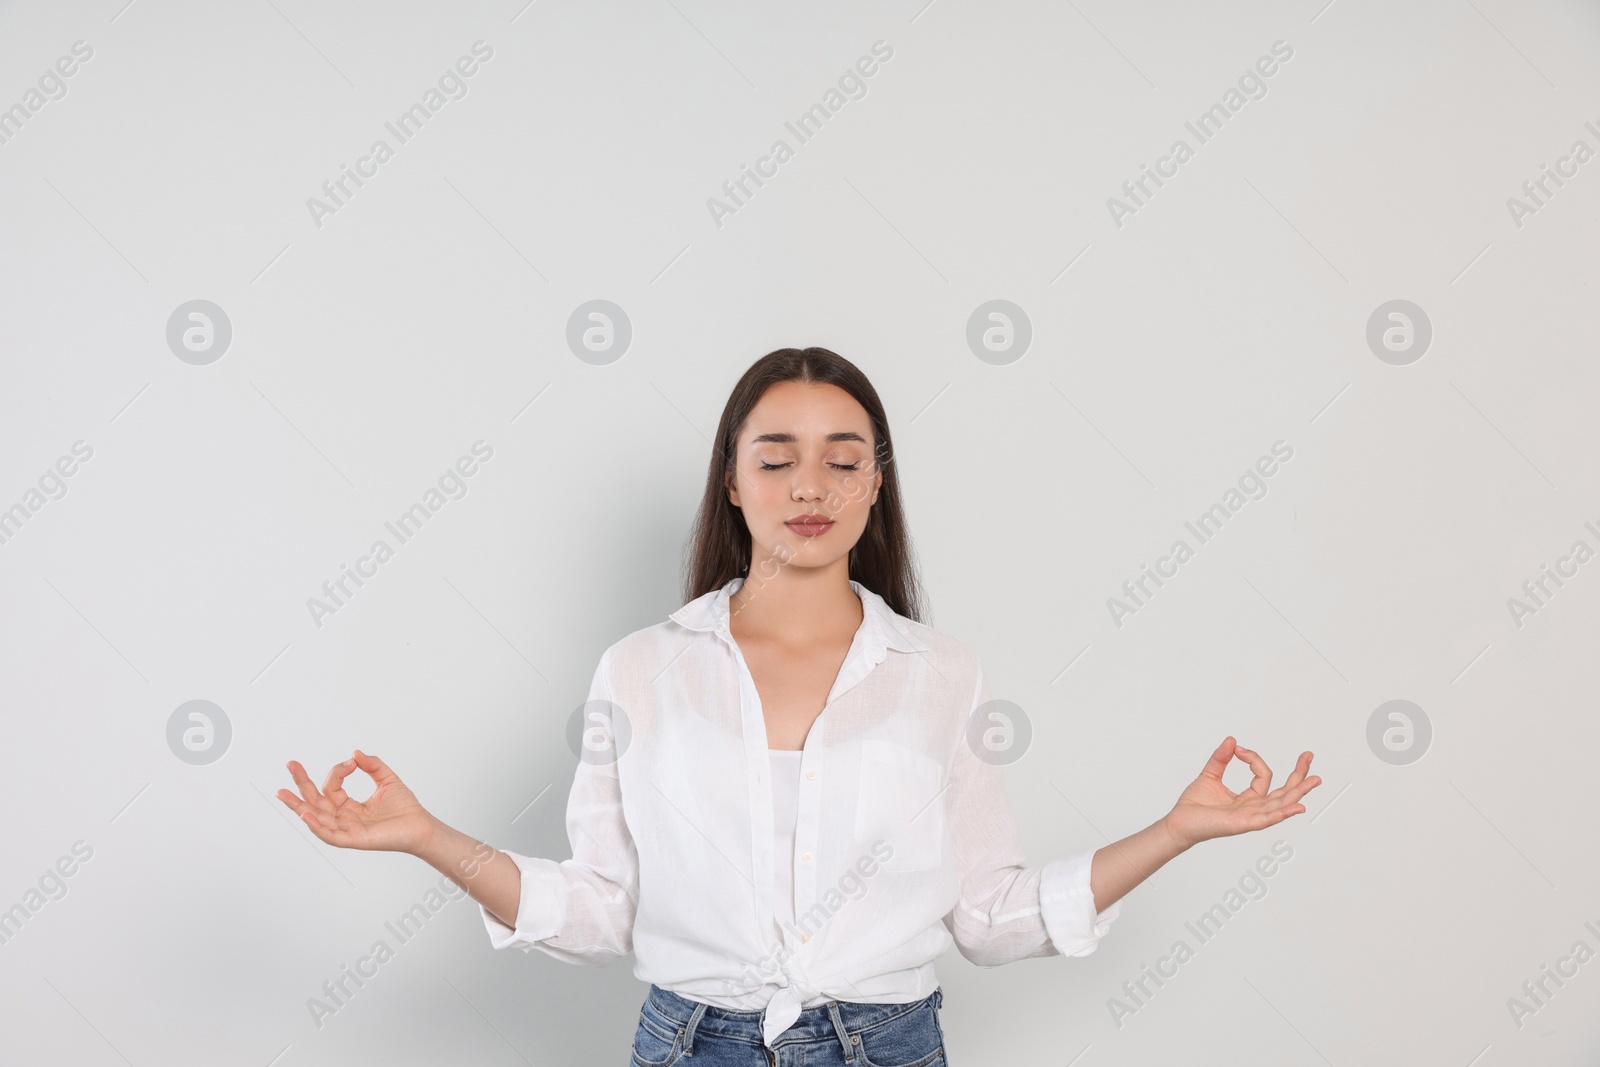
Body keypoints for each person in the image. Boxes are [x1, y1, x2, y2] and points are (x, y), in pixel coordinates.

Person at [277, 347, 1321, 1066]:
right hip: (690, 1042)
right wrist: (424, 837)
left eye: (841, 458)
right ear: (731, 482)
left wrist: (1179, 828)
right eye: (774, 457)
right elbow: (600, 910)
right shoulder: (641, 668)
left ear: (876, 486)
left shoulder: (939, 672)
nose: (807, 484)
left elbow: (992, 918)